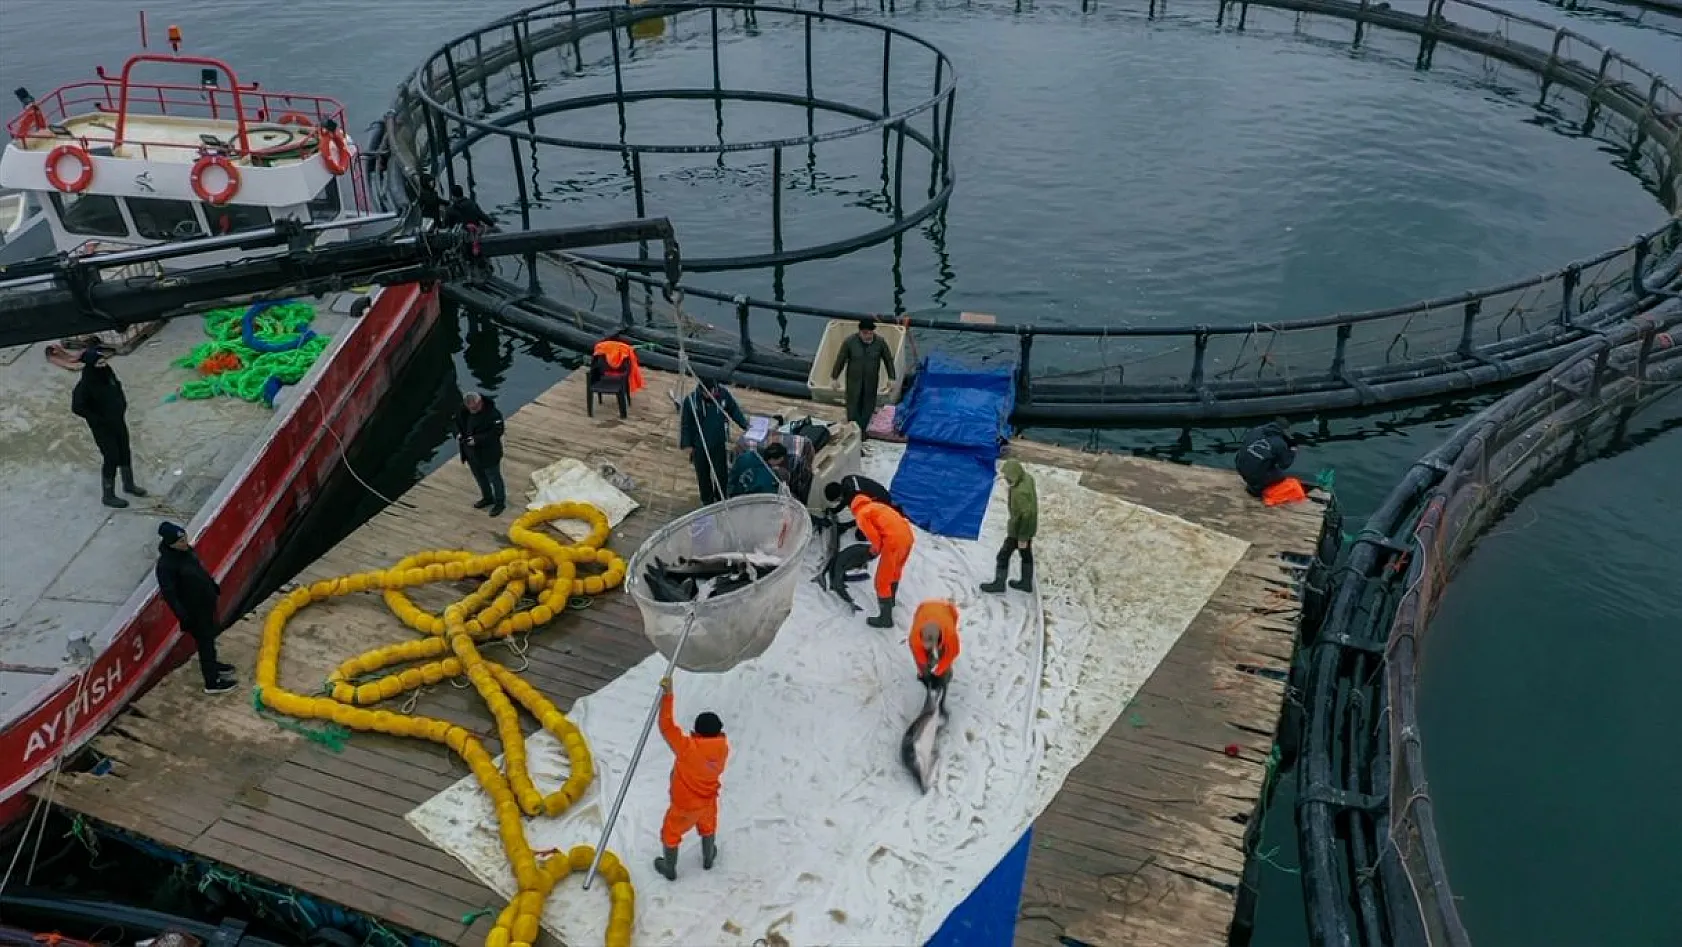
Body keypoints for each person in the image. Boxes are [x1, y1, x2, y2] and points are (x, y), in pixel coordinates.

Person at [653, 675, 729, 881]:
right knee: (708, 826)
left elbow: (667, 726)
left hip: (684, 806)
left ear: (696, 732)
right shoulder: (723, 747)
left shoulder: (688, 749)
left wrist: (667, 695)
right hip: (708, 801)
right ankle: (708, 856)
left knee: (671, 833)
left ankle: (669, 867)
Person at [155, 522, 236, 695]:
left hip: (205, 603)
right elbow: (170, 594)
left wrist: (212, 586)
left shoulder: (187, 552)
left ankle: (214, 666)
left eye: (185, 538)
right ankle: (212, 682)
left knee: (210, 638)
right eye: (181, 541)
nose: (186, 543)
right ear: (171, 544)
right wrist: (183, 616)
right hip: (193, 611)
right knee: (205, 643)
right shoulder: (166, 566)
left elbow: (199, 571)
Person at [71, 346, 146, 509]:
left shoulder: (108, 374)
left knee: (125, 451)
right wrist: (97, 419)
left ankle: (129, 484)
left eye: (104, 361)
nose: (103, 364)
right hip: (103, 428)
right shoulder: (85, 386)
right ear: (91, 366)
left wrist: (122, 405)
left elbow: (117, 388)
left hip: (118, 420)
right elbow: (77, 407)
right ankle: (108, 495)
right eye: (99, 363)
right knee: (111, 457)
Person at [677, 378, 749, 505]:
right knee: (703, 475)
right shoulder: (691, 401)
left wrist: (744, 424)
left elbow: (733, 410)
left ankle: (721, 497)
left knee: (721, 473)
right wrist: (687, 444)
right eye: (709, 392)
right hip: (699, 445)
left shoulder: (723, 395)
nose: (712, 394)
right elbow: (686, 424)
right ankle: (707, 500)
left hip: (718, 442)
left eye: (714, 390)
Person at [851, 493, 915, 629]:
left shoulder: (862, 514)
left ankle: (885, 619)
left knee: (881, 581)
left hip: (894, 542)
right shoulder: (877, 506)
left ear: (853, 508)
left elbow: (874, 537)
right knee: (895, 571)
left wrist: (874, 550)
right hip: (908, 537)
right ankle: (890, 601)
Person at [981, 460, 1037, 594]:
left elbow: (1027, 514)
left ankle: (999, 584)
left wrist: (1022, 536)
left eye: (1008, 477)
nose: (1006, 479)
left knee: (1003, 556)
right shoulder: (1027, 479)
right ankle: (1026, 583)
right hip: (1028, 527)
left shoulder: (1020, 492)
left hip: (1019, 529)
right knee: (1025, 553)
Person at [829, 318, 896, 431]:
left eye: (870, 332)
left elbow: (888, 360)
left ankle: (864, 429)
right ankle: (852, 428)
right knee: (853, 404)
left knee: (868, 405)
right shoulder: (849, 342)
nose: (868, 335)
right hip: (854, 380)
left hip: (871, 380)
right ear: (859, 332)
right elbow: (840, 360)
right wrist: (834, 377)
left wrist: (891, 377)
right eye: (865, 333)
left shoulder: (880, 342)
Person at [456, 392, 506, 516]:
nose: (472, 410)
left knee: (494, 478)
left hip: (488, 453)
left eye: (474, 408)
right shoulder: (463, 410)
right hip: (471, 453)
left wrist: (477, 440)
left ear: (480, 403)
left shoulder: (493, 414)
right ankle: (487, 497)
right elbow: (455, 423)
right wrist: (457, 434)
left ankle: (500, 502)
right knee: (479, 477)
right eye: (470, 408)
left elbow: (497, 432)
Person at [909, 599, 960, 714]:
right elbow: (918, 656)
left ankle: (943, 681)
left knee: (944, 659)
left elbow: (953, 653)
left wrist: (940, 669)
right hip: (924, 609)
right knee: (923, 661)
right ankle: (927, 680)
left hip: (947, 612)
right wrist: (924, 669)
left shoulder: (950, 634)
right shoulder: (914, 637)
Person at [1235, 418, 1296, 498]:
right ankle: (1257, 489)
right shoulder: (1280, 443)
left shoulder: (1255, 430)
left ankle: (1252, 482)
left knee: (1258, 460)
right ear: (1284, 430)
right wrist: (1292, 451)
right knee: (1280, 475)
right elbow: (1284, 464)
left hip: (1240, 465)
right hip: (1255, 475)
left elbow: (1244, 444)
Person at [822, 474, 896, 517]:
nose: (839, 502)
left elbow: (863, 518)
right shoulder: (847, 479)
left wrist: (846, 526)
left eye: (837, 500)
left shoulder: (855, 499)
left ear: (839, 497)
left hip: (884, 505)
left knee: (860, 535)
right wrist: (835, 510)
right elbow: (846, 498)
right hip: (883, 492)